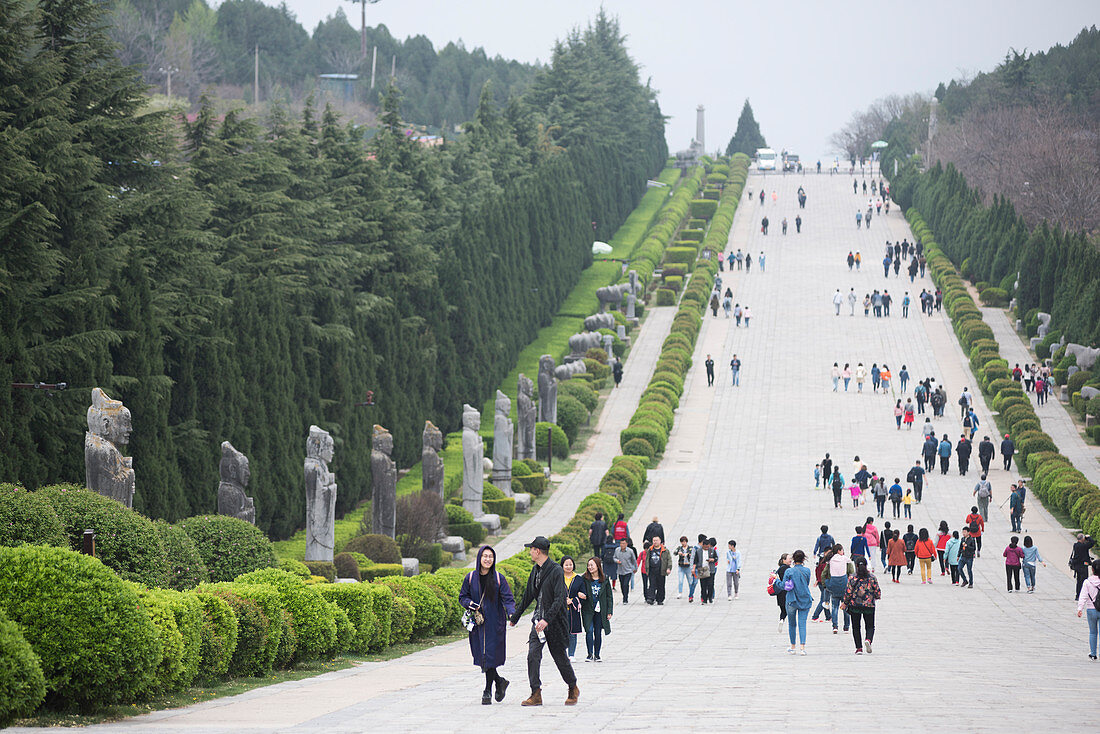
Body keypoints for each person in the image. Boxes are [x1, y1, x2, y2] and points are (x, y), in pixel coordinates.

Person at [509, 536, 579, 707]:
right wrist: (515, 618)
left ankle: (572, 687)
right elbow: (528, 595)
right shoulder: (535, 570)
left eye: (531, 549)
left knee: (560, 658)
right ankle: (535, 693)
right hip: (538, 623)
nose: (530, 552)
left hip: (554, 623)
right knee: (532, 656)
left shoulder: (556, 571)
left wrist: (547, 619)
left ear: (537, 551)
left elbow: (560, 598)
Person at [461, 545, 516, 704]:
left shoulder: (499, 578)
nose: (487, 559)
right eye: (485, 556)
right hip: (478, 624)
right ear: (479, 558)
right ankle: (500, 682)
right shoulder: (470, 578)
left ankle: (487, 691)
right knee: (482, 656)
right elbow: (463, 597)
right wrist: (470, 604)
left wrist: (512, 613)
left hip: (495, 623)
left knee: (490, 656)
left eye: (490, 556)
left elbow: (508, 599)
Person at [841, 556, 881, 654]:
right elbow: (877, 592)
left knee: (856, 627)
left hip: (855, 606)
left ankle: (859, 648)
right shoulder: (872, 578)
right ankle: (868, 639)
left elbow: (848, 592)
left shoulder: (852, 578)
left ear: (856, 566)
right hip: (869, 605)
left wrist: (845, 603)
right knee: (870, 626)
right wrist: (874, 596)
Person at [578, 557, 612, 662]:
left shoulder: (604, 579)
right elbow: (578, 590)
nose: (590, 567)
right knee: (589, 630)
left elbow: (609, 596)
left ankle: (597, 655)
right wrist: (579, 594)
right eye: (588, 565)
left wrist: (609, 611)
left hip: (600, 610)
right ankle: (589, 654)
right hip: (588, 609)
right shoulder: (584, 578)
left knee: (598, 632)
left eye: (592, 565)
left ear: (598, 566)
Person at [784, 550, 813, 655]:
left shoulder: (789, 572)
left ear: (793, 559)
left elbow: (784, 585)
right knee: (802, 623)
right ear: (803, 559)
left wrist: (775, 581)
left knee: (792, 624)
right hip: (805, 599)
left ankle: (792, 646)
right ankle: (802, 647)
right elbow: (807, 583)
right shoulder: (807, 571)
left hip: (792, 600)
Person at [1076, 559, 1100, 660]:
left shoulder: (1087, 582)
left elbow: (1083, 596)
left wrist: (1080, 608)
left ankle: (1093, 653)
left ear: (1092, 569)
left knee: (1093, 632)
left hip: (1091, 609)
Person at [561, 556, 584, 661]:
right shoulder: (558, 577)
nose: (568, 567)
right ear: (562, 566)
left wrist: (573, 600)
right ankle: (562, 654)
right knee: (561, 633)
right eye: (566, 564)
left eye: (570, 564)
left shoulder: (578, 579)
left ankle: (571, 655)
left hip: (573, 610)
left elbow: (583, 595)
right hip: (560, 610)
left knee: (572, 633)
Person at [645, 536, 671, 605]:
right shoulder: (650, 550)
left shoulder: (665, 550)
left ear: (660, 541)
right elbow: (647, 560)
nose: (655, 542)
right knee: (652, 585)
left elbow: (669, 560)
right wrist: (647, 569)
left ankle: (660, 599)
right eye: (654, 540)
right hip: (652, 570)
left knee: (661, 585)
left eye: (656, 540)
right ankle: (651, 598)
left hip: (661, 570)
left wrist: (668, 568)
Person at [1071, 533, 1096, 600]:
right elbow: (1092, 543)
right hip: (1083, 566)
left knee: (1079, 580)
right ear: (1082, 539)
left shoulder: (1075, 545)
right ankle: (1083, 595)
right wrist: (1088, 537)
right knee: (1084, 581)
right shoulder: (1084, 546)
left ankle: (1078, 595)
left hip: (1077, 566)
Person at [673, 535, 698, 602]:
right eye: (682, 542)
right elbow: (674, 553)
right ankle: (680, 593)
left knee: (690, 581)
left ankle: (691, 593)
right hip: (681, 566)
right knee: (680, 580)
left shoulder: (690, 548)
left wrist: (688, 554)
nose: (683, 543)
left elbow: (693, 554)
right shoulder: (679, 548)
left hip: (688, 567)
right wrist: (678, 553)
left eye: (684, 542)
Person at [612, 537, 636, 604]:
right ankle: (624, 595)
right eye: (621, 543)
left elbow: (634, 560)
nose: (622, 545)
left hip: (628, 570)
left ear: (626, 544)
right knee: (622, 585)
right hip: (620, 571)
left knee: (626, 584)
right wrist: (617, 561)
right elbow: (614, 557)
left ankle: (625, 598)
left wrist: (635, 568)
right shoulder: (617, 550)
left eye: (624, 543)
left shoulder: (630, 551)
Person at [696, 536, 718, 604]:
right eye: (705, 546)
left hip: (710, 569)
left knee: (711, 584)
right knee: (703, 585)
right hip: (702, 569)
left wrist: (713, 560)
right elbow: (695, 560)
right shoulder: (698, 551)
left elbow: (716, 558)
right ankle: (704, 599)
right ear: (703, 545)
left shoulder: (712, 550)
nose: (707, 548)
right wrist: (694, 568)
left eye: (708, 546)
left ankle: (710, 597)